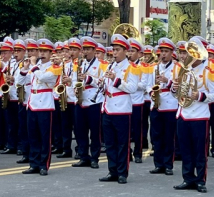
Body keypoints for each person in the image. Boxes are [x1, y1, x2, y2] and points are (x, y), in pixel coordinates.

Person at [174, 37, 214, 193]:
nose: (184, 57)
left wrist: (199, 96)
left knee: (199, 151)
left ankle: (200, 180)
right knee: (185, 150)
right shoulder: (183, 70)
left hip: (199, 116)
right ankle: (188, 178)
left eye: (188, 53)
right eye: (184, 53)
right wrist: (174, 89)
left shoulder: (209, 72)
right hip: (183, 114)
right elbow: (178, 96)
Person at [99, 34, 140, 185]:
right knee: (110, 143)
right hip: (108, 108)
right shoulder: (110, 65)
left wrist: (116, 80)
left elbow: (132, 88)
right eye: (113, 50)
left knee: (122, 143)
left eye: (117, 50)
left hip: (122, 109)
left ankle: (122, 173)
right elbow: (107, 85)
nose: (114, 53)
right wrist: (102, 85)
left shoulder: (132, 67)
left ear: (125, 51)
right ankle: (113, 170)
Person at [23, 39, 62, 176]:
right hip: (32, 103)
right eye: (40, 51)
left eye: (45, 51)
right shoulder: (36, 66)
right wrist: (24, 69)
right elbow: (23, 81)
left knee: (45, 137)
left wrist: (33, 66)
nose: (42, 53)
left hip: (45, 104)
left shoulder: (55, 67)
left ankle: (44, 165)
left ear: (51, 53)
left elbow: (45, 77)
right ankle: (33, 163)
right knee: (33, 136)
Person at [72, 37, 106, 169]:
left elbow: (102, 83)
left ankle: (94, 158)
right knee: (80, 131)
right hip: (81, 99)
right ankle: (83, 156)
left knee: (95, 131)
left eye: (87, 49)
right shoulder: (80, 64)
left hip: (94, 101)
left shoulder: (102, 64)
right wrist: (75, 86)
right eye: (83, 49)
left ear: (94, 50)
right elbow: (75, 80)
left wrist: (88, 78)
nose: (85, 52)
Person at [149, 38, 178, 176]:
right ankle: (158, 164)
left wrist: (168, 81)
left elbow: (179, 87)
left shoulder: (177, 68)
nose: (163, 54)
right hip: (156, 104)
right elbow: (148, 85)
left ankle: (168, 165)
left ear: (172, 53)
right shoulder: (155, 67)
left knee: (168, 136)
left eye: (166, 52)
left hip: (170, 105)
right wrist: (152, 91)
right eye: (162, 52)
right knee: (157, 136)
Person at [15, 39, 37, 165]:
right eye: (29, 51)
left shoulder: (40, 65)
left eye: (33, 51)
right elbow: (19, 81)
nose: (30, 53)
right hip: (25, 99)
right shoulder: (24, 64)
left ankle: (35, 154)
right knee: (24, 128)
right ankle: (25, 152)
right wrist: (25, 68)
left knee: (33, 131)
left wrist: (33, 66)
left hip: (36, 101)